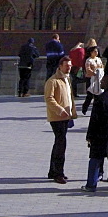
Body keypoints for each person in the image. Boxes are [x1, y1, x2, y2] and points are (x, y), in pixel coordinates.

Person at [82, 74, 108, 192]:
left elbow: (94, 119)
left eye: (103, 81)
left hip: (100, 132)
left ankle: (91, 184)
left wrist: (89, 135)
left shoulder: (100, 99)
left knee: (95, 159)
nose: (101, 83)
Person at [44, 55, 77, 183]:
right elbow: (49, 98)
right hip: (57, 117)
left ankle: (53, 171)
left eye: (70, 65)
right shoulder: (53, 81)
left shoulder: (67, 79)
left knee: (58, 142)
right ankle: (58, 173)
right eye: (66, 66)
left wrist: (71, 112)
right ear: (60, 66)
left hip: (66, 116)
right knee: (61, 144)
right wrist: (60, 109)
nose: (69, 68)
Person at [81, 42, 104, 114]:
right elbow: (88, 69)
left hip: (98, 79)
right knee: (90, 95)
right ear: (91, 52)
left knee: (98, 96)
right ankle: (84, 108)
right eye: (94, 51)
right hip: (90, 79)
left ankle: (97, 110)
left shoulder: (98, 59)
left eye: (97, 51)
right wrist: (94, 73)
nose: (96, 53)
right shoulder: (89, 60)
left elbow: (102, 67)